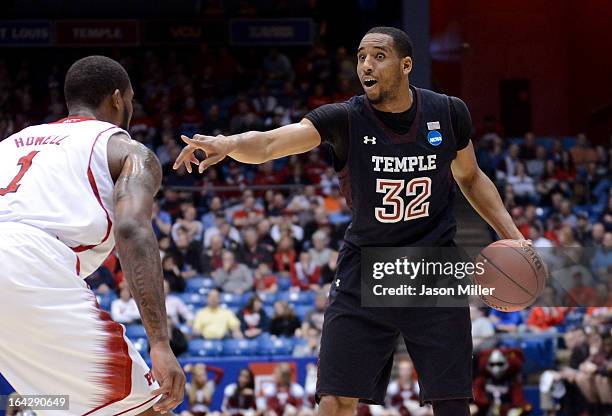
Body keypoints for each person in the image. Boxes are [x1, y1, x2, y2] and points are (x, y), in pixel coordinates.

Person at [174, 26, 529, 416]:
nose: (365, 65)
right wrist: (229, 144)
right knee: (336, 399)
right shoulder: (344, 118)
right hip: (366, 267)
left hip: (432, 267)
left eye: (378, 56)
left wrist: (513, 237)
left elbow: (471, 176)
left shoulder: (447, 112)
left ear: (406, 65)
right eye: (361, 56)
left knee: (451, 403)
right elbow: (274, 142)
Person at [0, 55, 184, 415]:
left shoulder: (10, 143)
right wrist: (160, 343)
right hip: (27, 267)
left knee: (57, 406)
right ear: (118, 98)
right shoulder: (125, 149)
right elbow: (132, 228)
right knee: (147, 407)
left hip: (23, 273)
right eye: (130, 100)